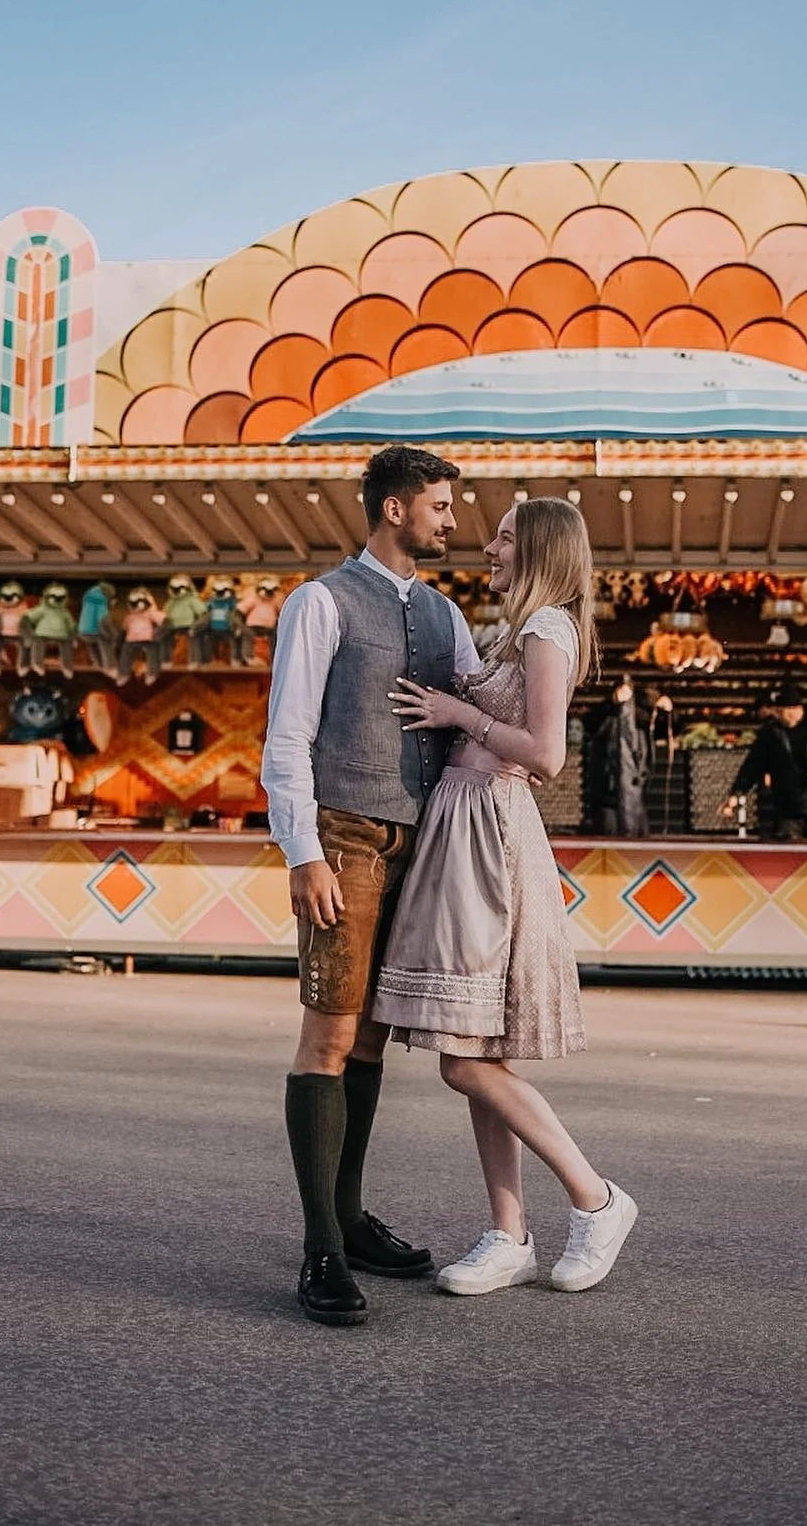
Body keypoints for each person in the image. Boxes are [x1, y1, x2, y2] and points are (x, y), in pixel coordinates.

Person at [372, 498, 638, 1297]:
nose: (488, 546)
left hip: (490, 829)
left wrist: (457, 712)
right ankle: (508, 1232)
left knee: (464, 1059)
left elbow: (548, 754)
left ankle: (596, 1196)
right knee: (482, 1051)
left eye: (507, 537)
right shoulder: (515, 628)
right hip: (467, 826)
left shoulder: (548, 629)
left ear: (542, 550)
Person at [261, 445, 482, 1326]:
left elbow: (481, 708)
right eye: (438, 505)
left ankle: (349, 1218)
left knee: (372, 1040)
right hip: (345, 830)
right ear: (394, 509)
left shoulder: (444, 614)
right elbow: (287, 736)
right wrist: (301, 851)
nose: (449, 520)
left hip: (419, 841)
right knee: (329, 1033)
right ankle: (320, 1245)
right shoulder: (319, 602)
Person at [721, 680, 807, 840]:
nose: (775, 715)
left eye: (779, 711)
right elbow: (752, 766)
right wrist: (737, 793)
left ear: (793, 710)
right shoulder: (770, 733)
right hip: (786, 811)